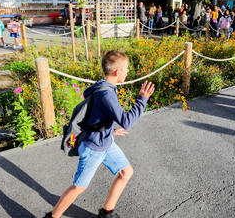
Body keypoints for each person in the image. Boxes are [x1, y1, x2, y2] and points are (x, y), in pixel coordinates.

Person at [44, 51, 155, 218]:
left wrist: (110, 130)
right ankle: (52, 217)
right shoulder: (106, 93)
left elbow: (98, 116)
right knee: (79, 187)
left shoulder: (105, 87)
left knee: (126, 172)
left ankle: (106, 213)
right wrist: (142, 99)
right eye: (126, 69)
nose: (127, 72)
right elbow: (127, 121)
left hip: (105, 141)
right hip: (93, 147)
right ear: (117, 72)